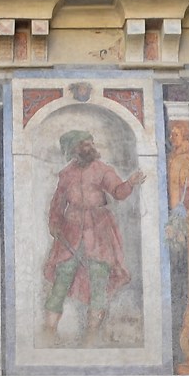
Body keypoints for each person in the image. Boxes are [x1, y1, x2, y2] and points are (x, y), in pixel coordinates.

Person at [43, 130, 147, 345]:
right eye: (84, 144)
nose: (90, 146)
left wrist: (130, 183)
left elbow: (118, 192)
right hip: (71, 230)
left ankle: (91, 334)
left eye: (91, 142)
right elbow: (57, 204)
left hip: (99, 231)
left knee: (99, 278)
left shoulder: (102, 170)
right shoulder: (66, 174)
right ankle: (49, 330)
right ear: (74, 149)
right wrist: (54, 224)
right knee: (63, 277)